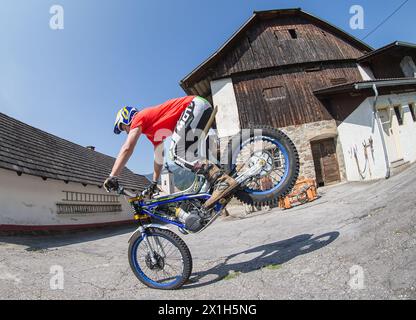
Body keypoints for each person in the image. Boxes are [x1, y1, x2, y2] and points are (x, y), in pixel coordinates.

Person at [103, 96, 238, 209]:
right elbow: (158, 157)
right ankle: (226, 175)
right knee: (189, 154)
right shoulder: (151, 132)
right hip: (200, 108)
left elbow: (127, 147)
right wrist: (154, 183)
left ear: (127, 118)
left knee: (176, 153)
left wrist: (113, 176)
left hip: (194, 106)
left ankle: (221, 180)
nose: (126, 131)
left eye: (123, 127)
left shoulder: (139, 117)